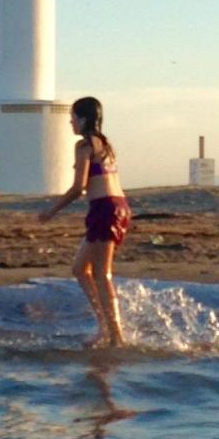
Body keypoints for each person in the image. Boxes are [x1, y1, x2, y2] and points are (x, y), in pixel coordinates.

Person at [40, 96, 131, 348]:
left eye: (73, 117)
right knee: (80, 269)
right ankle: (105, 328)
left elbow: (78, 188)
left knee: (102, 274)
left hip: (106, 209)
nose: (70, 122)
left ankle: (116, 337)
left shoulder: (84, 146)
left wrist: (51, 210)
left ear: (82, 118)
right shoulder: (105, 144)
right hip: (117, 208)